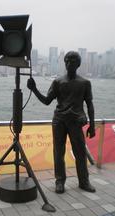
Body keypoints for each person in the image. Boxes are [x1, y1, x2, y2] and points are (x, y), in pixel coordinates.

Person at [27, 51, 96, 194]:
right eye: (67, 61)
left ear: (78, 64)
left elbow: (89, 104)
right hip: (59, 121)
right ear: (64, 63)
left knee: (80, 153)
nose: (69, 63)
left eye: (72, 61)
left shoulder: (85, 83)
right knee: (58, 152)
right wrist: (34, 89)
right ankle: (59, 181)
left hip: (76, 122)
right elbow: (47, 101)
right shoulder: (58, 82)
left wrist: (92, 125)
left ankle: (84, 181)